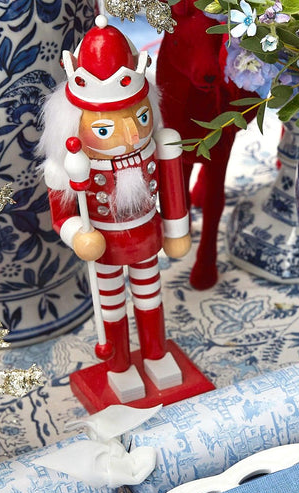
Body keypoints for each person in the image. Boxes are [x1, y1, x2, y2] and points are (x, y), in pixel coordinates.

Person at [40, 15, 192, 403]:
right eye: (106, 129)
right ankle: (120, 365)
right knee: (112, 309)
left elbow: (173, 190)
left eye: (140, 117)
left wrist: (177, 230)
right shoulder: (70, 166)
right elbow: (61, 216)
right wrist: (79, 236)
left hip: (147, 239)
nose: (131, 135)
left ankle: (156, 355)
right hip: (105, 249)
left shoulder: (160, 145)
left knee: (150, 299)